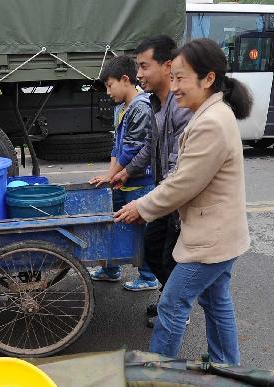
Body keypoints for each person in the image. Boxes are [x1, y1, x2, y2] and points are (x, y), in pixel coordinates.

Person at [114, 38, 252, 365]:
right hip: (219, 233)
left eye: (181, 78)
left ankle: (157, 377)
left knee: (172, 304)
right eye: (172, 77)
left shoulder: (211, 123)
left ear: (208, 79)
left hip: (210, 239)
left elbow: (182, 183)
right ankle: (227, 369)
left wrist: (140, 207)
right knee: (216, 301)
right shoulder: (209, 115)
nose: (175, 87)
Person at [110, 35, 192, 327]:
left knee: (171, 257)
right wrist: (126, 172)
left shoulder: (181, 108)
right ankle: (170, 300)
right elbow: (148, 147)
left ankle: (174, 310)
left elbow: (179, 171)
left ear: (167, 66)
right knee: (154, 248)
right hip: (164, 195)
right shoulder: (157, 103)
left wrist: (145, 205)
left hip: (176, 200)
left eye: (144, 66)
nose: (139, 74)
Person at [88, 55, 159, 291]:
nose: (108, 92)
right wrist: (111, 176)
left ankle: (148, 277)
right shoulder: (121, 108)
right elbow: (116, 147)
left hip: (141, 181)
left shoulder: (141, 107)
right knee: (113, 222)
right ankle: (111, 268)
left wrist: (113, 175)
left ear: (125, 79)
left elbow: (132, 149)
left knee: (143, 230)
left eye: (110, 85)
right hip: (122, 179)